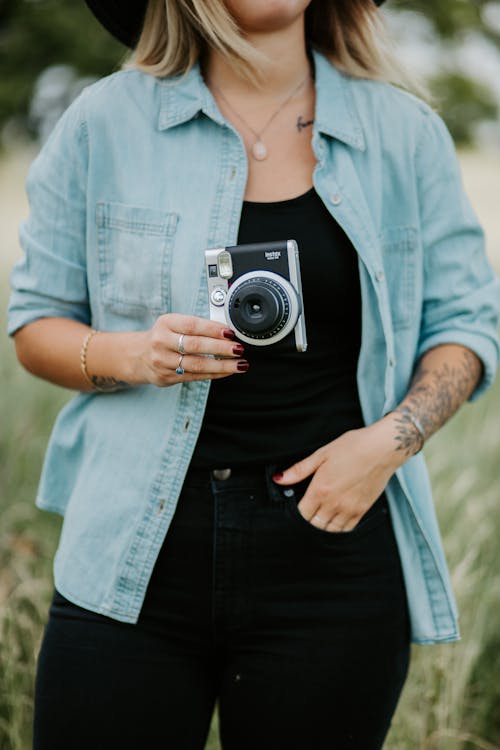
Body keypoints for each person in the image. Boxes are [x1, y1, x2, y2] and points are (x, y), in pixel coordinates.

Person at [6, 0, 500, 748]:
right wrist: (133, 355)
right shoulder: (103, 123)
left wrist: (389, 444)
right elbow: (36, 324)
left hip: (334, 550)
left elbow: (466, 325)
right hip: (134, 550)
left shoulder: (403, 133)